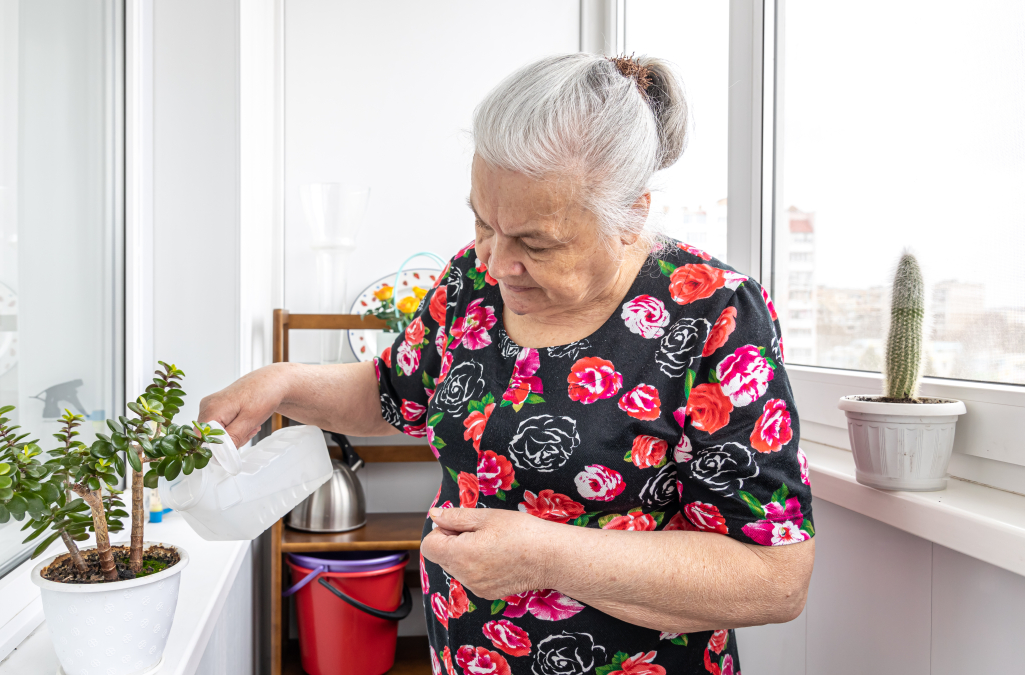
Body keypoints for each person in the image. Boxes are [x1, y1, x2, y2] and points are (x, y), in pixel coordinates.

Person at [200, 53, 814, 675]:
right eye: (483, 221)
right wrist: (282, 382)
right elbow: (393, 393)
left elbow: (774, 578)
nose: (497, 262)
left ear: (630, 218)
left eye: (536, 243)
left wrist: (548, 558)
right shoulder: (472, 276)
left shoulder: (714, 313)